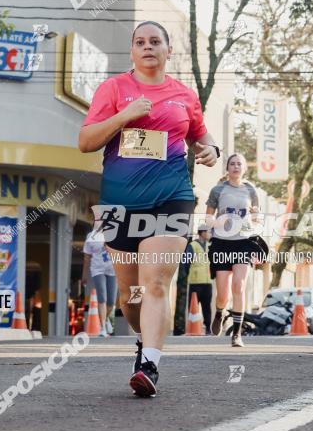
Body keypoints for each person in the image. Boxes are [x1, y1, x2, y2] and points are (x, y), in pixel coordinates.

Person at [78, 21, 219, 397]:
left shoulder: (184, 95)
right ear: (132, 51)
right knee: (130, 295)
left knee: (156, 280)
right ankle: (145, 340)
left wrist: (211, 150)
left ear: (168, 50)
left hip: (172, 197)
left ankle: (150, 363)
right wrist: (124, 116)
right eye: (140, 42)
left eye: (155, 41)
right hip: (120, 201)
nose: (147, 47)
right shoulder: (114, 89)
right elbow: (85, 142)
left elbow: (202, 136)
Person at [206, 153, 265, 348]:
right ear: (227, 168)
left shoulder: (250, 190)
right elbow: (207, 219)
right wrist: (218, 222)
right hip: (222, 242)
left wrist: (255, 219)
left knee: (238, 286)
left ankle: (237, 334)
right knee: (223, 293)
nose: (236, 166)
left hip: (244, 242)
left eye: (239, 163)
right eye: (232, 163)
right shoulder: (218, 190)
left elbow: (257, 217)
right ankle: (220, 312)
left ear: (244, 168)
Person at [81, 228, 117, 337]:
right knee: (102, 298)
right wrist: (84, 276)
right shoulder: (91, 237)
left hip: (113, 271)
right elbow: (87, 258)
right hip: (97, 270)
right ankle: (102, 328)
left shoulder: (115, 233)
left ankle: (105, 319)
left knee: (111, 301)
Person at [183, 224, 212, 334]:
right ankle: (192, 327)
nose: (209, 234)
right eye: (208, 232)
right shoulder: (193, 245)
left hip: (207, 281)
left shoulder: (210, 245)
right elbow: (186, 262)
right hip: (195, 282)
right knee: (193, 306)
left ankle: (208, 328)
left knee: (207, 307)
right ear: (203, 233)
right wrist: (188, 274)